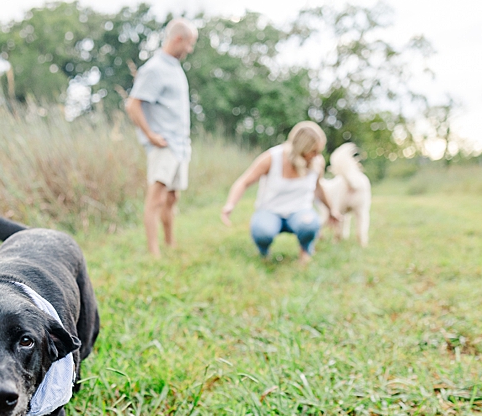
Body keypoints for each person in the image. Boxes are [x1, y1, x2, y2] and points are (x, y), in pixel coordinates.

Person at [125, 18, 198, 257]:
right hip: (164, 144)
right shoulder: (154, 68)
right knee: (156, 197)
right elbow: (133, 105)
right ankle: (153, 252)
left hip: (180, 145)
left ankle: (169, 243)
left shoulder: (175, 68)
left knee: (172, 196)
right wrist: (151, 135)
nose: (190, 49)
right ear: (178, 39)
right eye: (189, 44)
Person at [220, 121, 340, 264]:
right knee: (262, 232)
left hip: (299, 211)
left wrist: (331, 210)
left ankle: (305, 251)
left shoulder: (316, 161)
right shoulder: (272, 157)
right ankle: (264, 252)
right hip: (270, 211)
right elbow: (243, 182)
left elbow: (318, 187)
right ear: (301, 148)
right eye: (313, 151)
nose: (317, 155)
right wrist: (230, 205)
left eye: (319, 151)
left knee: (310, 225)